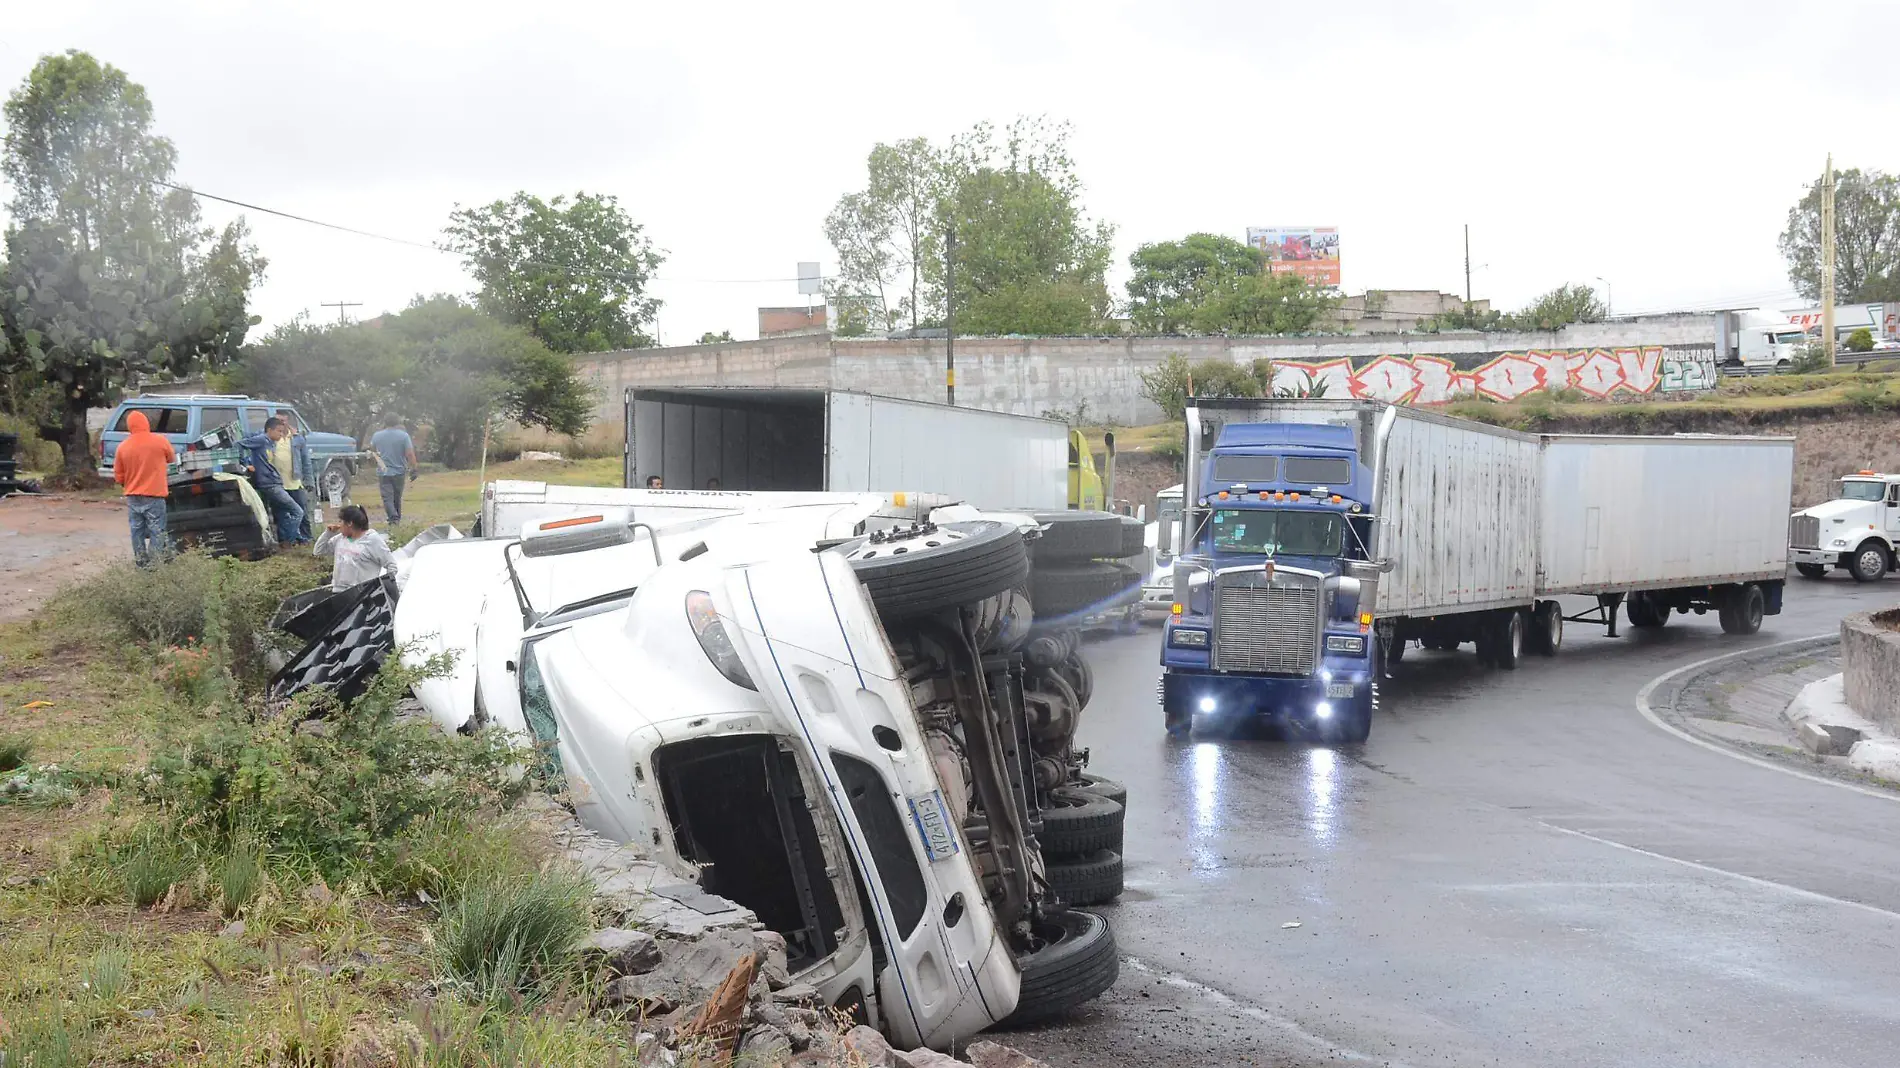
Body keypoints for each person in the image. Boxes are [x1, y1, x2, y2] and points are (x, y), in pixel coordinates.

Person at [113, 410, 175, 566]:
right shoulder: (160, 441)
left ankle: (141, 565)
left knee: (137, 531)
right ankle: (155, 565)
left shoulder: (122, 447)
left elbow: (119, 477)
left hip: (133, 497)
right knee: (157, 530)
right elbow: (171, 458)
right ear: (146, 423)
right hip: (154, 495)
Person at [240, 416, 305, 545]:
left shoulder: (271, 442)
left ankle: (283, 539)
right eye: (279, 431)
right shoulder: (261, 440)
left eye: (282, 432)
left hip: (275, 481)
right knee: (297, 511)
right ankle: (288, 541)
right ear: (270, 430)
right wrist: (244, 464)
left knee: (282, 514)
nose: (281, 434)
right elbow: (240, 444)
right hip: (269, 483)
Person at [313, 504, 397, 591]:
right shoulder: (340, 538)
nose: (339, 525)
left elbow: (391, 565)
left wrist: (384, 588)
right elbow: (318, 551)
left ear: (350, 523)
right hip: (339, 591)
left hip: (361, 594)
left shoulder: (372, 540)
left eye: (340, 521)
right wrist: (328, 533)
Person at [268, 410, 313, 544]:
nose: (280, 423)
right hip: (277, 483)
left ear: (288, 422)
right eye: (278, 420)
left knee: (302, 511)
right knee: (281, 514)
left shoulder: (297, 438)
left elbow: (306, 461)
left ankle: (306, 539)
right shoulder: (270, 438)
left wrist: (309, 480)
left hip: (294, 482)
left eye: (283, 421)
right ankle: (286, 541)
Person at [368, 413, 419, 525]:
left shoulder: (377, 435)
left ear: (385, 422)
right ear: (397, 422)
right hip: (399, 471)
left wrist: (376, 460)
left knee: (387, 498)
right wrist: (414, 468)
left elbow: (372, 451)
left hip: (383, 471)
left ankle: (394, 519)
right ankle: (395, 519)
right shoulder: (404, 436)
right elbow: (409, 453)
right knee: (397, 497)